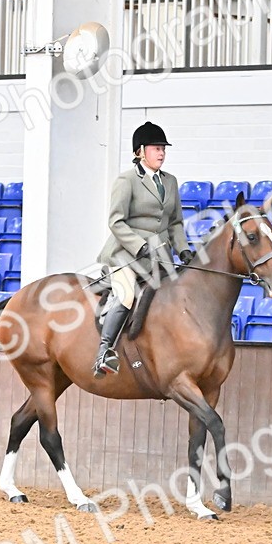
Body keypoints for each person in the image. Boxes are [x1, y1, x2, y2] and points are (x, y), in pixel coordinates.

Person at [92, 121, 195, 377]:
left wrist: (183, 250)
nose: (161, 153)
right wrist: (138, 247)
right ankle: (104, 352)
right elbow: (116, 221)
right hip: (126, 255)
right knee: (126, 295)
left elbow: (175, 222)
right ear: (140, 151)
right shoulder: (126, 180)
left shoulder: (170, 182)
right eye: (156, 148)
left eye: (163, 149)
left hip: (161, 258)